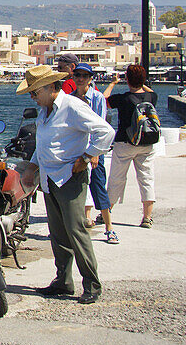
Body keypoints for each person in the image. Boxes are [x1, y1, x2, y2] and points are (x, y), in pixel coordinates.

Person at [17, 65, 114, 304]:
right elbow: (43, 144)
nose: (33, 97)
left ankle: (92, 284)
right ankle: (63, 281)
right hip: (50, 178)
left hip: (69, 177)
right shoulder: (45, 112)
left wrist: (86, 156)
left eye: (35, 91)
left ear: (51, 87)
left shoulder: (72, 107)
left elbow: (106, 131)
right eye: (31, 93)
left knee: (76, 231)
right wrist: (32, 166)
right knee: (58, 233)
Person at [103, 64, 158, 228]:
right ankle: (147, 217)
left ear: (127, 79)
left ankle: (106, 213)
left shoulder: (124, 98)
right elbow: (150, 91)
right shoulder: (151, 97)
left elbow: (103, 100)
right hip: (147, 143)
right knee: (147, 179)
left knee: (116, 179)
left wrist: (113, 83)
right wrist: (141, 82)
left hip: (125, 143)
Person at [70, 63, 117, 243]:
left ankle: (109, 228)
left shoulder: (97, 98)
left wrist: (94, 152)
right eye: (77, 75)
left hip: (94, 149)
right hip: (75, 148)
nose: (80, 78)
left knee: (98, 186)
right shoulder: (70, 98)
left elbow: (101, 124)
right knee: (73, 188)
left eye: (84, 75)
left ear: (90, 78)